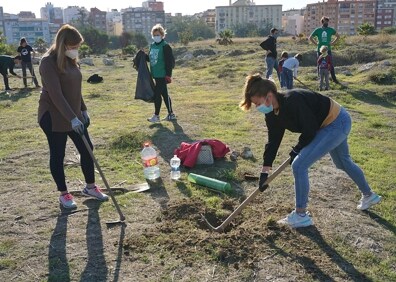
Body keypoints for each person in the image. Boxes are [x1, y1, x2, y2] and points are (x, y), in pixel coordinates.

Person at [240, 74, 382, 228]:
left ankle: (301, 215)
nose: (257, 107)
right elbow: (273, 141)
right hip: (327, 123)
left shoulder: (292, 101)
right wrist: (264, 172)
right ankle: (369, 196)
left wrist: (297, 149)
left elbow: (310, 129)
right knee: (342, 162)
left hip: (337, 122)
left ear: (268, 96)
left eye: (257, 103)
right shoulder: (272, 114)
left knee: (299, 165)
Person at [38, 24, 109, 209]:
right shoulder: (48, 62)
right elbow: (56, 94)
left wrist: (83, 110)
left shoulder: (71, 60)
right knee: (58, 153)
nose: (76, 49)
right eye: (73, 46)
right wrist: (72, 118)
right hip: (53, 116)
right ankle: (64, 194)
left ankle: (90, 187)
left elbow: (75, 89)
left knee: (87, 149)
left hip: (74, 114)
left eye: (77, 46)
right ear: (63, 44)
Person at [146, 24, 176, 122]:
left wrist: (168, 75)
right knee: (164, 95)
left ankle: (156, 115)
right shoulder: (152, 45)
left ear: (162, 35)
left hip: (162, 75)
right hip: (155, 75)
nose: (156, 37)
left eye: (158, 35)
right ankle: (171, 114)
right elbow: (150, 58)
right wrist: (142, 56)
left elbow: (169, 62)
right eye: (154, 35)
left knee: (156, 94)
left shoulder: (165, 46)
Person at [308, 16, 340, 84]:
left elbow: (338, 36)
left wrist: (332, 43)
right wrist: (316, 44)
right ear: (322, 22)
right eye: (326, 21)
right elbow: (310, 37)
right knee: (319, 64)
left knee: (330, 64)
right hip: (320, 50)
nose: (327, 23)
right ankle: (320, 79)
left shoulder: (331, 29)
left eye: (328, 21)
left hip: (328, 50)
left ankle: (334, 79)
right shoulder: (318, 30)